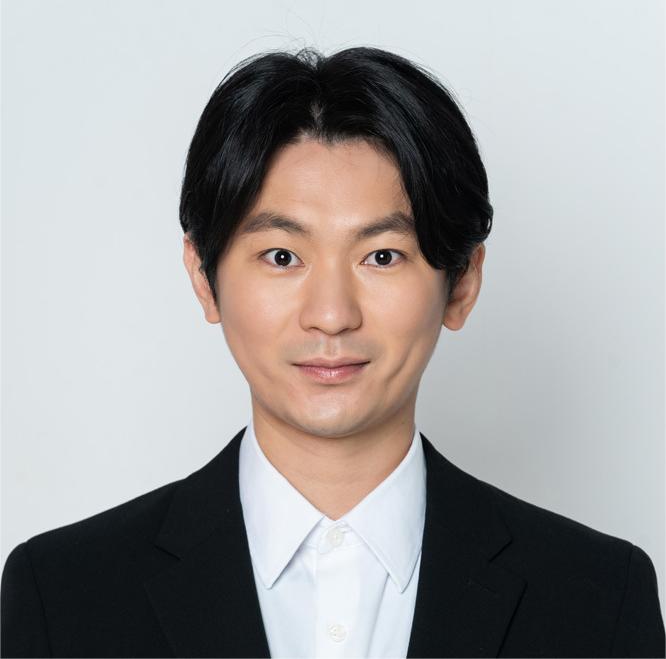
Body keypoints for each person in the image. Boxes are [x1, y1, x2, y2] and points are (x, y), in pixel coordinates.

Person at [1, 45, 664, 659]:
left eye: (383, 256)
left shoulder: (601, 600)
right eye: (281, 256)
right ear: (204, 277)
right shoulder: (61, 594)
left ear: (461, 283)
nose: (331, 314)